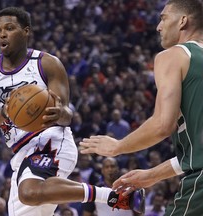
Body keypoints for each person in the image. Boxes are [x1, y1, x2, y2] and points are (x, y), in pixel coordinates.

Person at [0, 6, 145, 216]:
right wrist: (6, 112)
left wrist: (62, 113)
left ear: (26, 31)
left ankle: (115, 196)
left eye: (9, 28)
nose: (2, 33)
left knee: (28, 192)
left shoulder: (47, 63)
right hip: (21, 152)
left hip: (50, 139)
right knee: (30, 197)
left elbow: (66, 113)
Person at [80, 0, 203, 215]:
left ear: (183, 21)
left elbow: (163, 125)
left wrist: (118, 146)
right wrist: (152, 175)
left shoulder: (174, 55)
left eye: (164, 18)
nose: (158, 26)